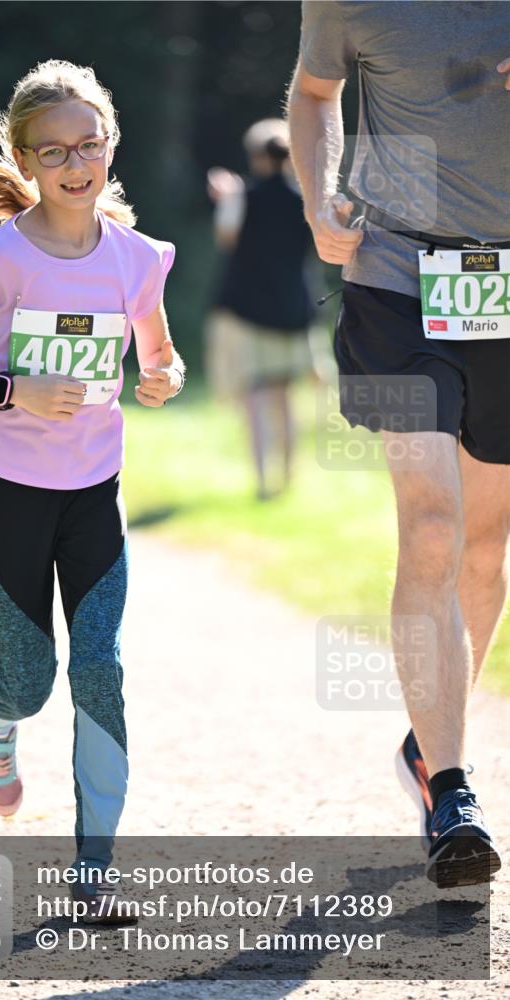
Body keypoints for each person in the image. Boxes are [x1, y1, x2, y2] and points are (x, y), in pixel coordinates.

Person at [0, 59, 184, 920]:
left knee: (99, 670)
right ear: (25, 161)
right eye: (55, 151)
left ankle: (95, 872)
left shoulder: (136, 258)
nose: (77, 164)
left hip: (93, 491)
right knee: (30, 682)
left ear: (110, 144)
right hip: (10, 491)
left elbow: (159, 351)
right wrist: (10, 388)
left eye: (89, 144)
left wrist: (164, 377)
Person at [288, 1, 509, 888]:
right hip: (393, 277)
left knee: (486, 553)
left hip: (505, 290)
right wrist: (316, 199)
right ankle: (452, 789)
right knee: (429, 525)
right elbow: (312, 95)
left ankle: (428, 745)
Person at [206, 119, 315, 499]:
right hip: (293, 312)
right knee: (284, 398)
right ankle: (287, 478)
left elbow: (226, 238)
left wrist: (229, 198)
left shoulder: (244, 196)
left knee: (253, 399)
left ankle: (262, 481)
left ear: (255, 156)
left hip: (246, 311)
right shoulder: (305, 200)